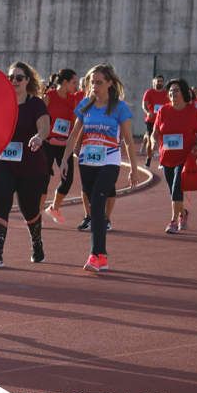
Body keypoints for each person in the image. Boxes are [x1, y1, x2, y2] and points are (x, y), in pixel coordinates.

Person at [60, 64, 140, 272]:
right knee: (93, 205)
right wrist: (64, 160)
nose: (94, 86)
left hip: (110, 161)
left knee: (97, 203)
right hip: (87, 162)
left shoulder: (119, 108)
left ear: (110, 84)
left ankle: (96, 255)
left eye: (99, 82)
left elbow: (130, 142)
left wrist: (133, 169)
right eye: (92, 82)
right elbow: (74, 135)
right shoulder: (85, 104)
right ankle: (101, 256)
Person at [0, 62, 51, 268]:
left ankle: (36, 242)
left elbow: (44, 126)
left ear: (27, 81)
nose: (14, 81)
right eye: (10, 77)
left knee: (30, 209)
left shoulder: (36, 104)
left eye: (19, 78)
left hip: (30, 164)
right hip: (1, 162)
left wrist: (39, 137)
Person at [151, 78, 197, 234]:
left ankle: (173, 221)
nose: (172, 93)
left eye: (176, 90)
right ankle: (183, 213)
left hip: (185, 157)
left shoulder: (192, 111)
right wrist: (156, 142)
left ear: (183, 92)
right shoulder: (163, 111)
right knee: (173, 191)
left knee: (176, 188)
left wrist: (196, 148)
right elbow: (156, 133)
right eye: (170, 91)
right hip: (167, 157)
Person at [42, 68, 82, 224]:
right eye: (74, 82)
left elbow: (75, 124)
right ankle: (36, 216)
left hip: (64, 145)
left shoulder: (73, 100)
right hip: (47, 144)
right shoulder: (48, 97)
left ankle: (54, 207)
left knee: (68, 179)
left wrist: (72, 142)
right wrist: (45, 137)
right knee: (42, 180)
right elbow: (39, 121)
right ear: (64, 83)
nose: (76, 86)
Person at [141, 75, 169, 167]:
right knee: (150, 140)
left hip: (162, 121)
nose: (159, 83)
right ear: (154, 82)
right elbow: (144, 105)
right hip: (151, 120)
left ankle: (162, 161)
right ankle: (148, 160)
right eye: (158, 81)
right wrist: (148, 112)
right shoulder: (149, 92)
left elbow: (170, 106)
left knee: (162, 141)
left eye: (161, 81)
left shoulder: (166, 94)